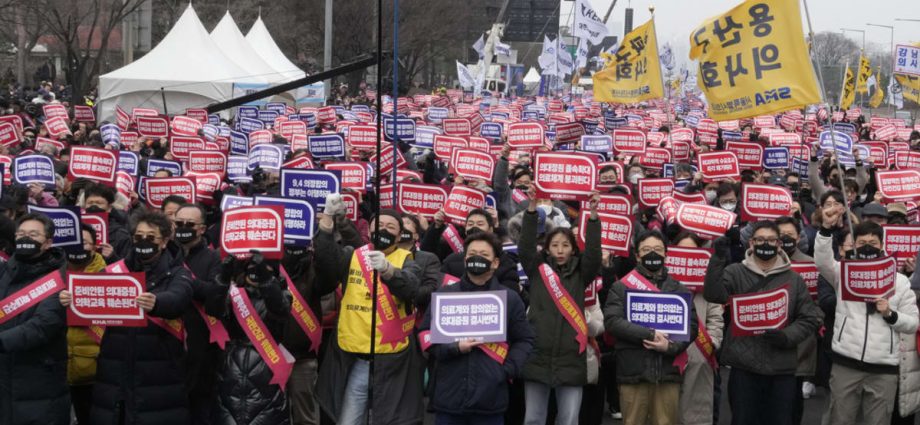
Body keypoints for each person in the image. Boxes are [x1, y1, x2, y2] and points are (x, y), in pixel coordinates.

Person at [62, 211, 194, 425]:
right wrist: (72, 298)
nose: (144, 242)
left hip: (159, 373)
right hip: (114, 372)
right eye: (138, 237)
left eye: (151, 237)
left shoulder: (178, 273)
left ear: (164, 241)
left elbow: (179, 297)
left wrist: (157, 303)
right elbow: (89, 293)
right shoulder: (114, 271)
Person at [313, 204, 424, 425]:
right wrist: (327, 222)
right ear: (370, 230)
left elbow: (411, 288)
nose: (384, 230)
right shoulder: (352, 255)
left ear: (400, 234)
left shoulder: (407, 258)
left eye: (390, 226)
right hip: (356, 358)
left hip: (393, 360)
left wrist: (389, 271)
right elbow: (327, 263)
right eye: (379, 225)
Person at [703, 220, 823, 425]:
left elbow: (810, 317)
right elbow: (714, 295)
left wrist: (787, 336)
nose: (765, 244)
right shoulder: (735, 272)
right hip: (744, 367)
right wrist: (718, 258)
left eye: (770, 240)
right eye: (760, 240)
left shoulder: (794, 280)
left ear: (778, 245)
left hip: (782, 368)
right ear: (751, 243)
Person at [814, 214, 920, 425]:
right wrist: (825, 230)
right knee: (840, 419)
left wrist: (890, 314)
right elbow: (822, 260)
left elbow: (912, 323)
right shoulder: (843, 273)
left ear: (882, 245)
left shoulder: (899, 281)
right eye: (862, 243)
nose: (867, 247)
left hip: (884, 370)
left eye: (873, 243)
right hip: (846, 364)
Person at [420, 231, 534, 425]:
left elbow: (525, 340)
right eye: (472, 254)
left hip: (490, 399)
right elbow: (425, 336)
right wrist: (454, 347)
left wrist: (506, 370)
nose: (477, 258)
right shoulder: (445, 295)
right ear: (465, 260)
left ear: (496, 263)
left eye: (484, 254)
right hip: (449, 397)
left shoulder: (509, 299)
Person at [518, 189, 602, 425]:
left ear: (573, 249)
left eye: (566, 245)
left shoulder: (581, 274)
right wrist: (532, 207)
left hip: (570, 359)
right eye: (554, 245)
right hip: (537, 355)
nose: (560, 250)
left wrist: (594, 216)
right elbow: (524, 248)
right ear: (546, 249)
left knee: (568, 419)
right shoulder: (537, 270)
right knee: (533, 418)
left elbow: (594, 255)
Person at [604, 230, 698, 425]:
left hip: (667, 374)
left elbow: (691, 326)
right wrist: (650, 335)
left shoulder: (678, 289)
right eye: (646, 250)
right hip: (633, 374)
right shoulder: (622, 287)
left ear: (666, 253)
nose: (652, 254)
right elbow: (613, 321)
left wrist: (670, 347)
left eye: (657, 249)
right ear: (637, 255)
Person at [206, 251, 292, 424]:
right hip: (231, 375)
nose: (255, 270)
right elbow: (212, 309)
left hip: (266, 376)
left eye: (261, 266)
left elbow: (279, 309)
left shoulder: (283, 294)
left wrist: (267, 281)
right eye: (251, 266)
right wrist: (223, 278)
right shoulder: (234, 294)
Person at [0, 213, 69, 425]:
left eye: (33, 234)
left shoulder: (61, 278)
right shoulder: (4, 271)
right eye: (20, 234)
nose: (25, 238)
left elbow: (44, 325)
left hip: (39, 378)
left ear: (48, 242)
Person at [172, 204, 220, 425]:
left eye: (189, 225)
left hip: (201, 346)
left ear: (201, 229)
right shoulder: (166, 254)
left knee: (200, 408)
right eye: (179, 223)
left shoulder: (213, 258)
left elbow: (215, 294)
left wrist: (187, 281)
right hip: (168, 343)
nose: (183, 228)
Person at [671, 232, 723, 425]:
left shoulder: (709, 284)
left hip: (701, 356)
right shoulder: (663, 283)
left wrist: (712, 342)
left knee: (697, 414)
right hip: (668, 354)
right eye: (682, 251)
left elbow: (716, 318)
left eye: (693, 251)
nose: (687, 256)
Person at [65, 224, 107, 425]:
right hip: (57, 366)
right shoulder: (51, 274)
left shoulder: (110, 275)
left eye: (84, 242)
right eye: (73, 242)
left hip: (93, 368)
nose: (78, 247)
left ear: (95, 246)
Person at [82, 183, 132, 260]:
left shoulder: (121, 235)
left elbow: (127, 268)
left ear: (109, 208)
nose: (94, 206)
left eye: (99, 203)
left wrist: (112, 257)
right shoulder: (76, 230)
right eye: (90, 203)